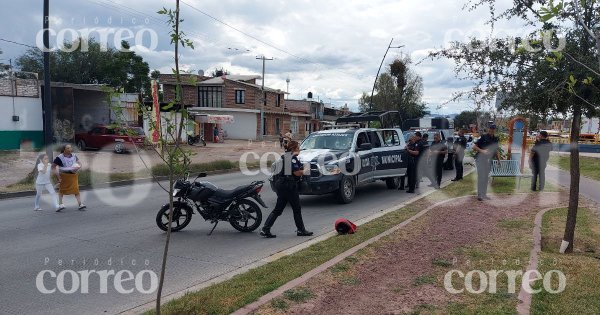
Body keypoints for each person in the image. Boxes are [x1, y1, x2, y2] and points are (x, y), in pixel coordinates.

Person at [260, 140, 313, 238]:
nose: (300, 149)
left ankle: (265, 229)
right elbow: (297, 173)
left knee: (278, 209)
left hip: (281, 185)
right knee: (296, 209)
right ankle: (301, 230)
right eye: (298, 148)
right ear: (294, 148)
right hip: (289, 186)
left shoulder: (284, 156)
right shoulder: (292, 158)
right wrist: (305, 170)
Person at [52, 144, 86, 211]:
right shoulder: (59, 157)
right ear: (64, 150)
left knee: (76, 190)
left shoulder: (74, 155)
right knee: (62, 190)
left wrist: (77, 167)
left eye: (70, 148)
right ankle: (60, 204)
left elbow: (80, 163)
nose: (70, 149)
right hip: (64, 175)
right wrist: (58, 177)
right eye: (68, 148)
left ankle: (80, 204)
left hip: (73, 175)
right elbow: (53, 167)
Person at [473, 124, 500, 201]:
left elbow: (496, 150)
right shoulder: (483, 137)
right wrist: (482, 151)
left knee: (485, 177)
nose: (492, 130)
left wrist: (499, 160)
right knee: (481, 176)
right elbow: (474, 147)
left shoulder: (495, 139)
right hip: (480, 159)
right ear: (488, 129)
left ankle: (484, 194)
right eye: (490, 128)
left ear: (495, 130)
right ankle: (480, 195)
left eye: (493, 128)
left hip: (488, 160)